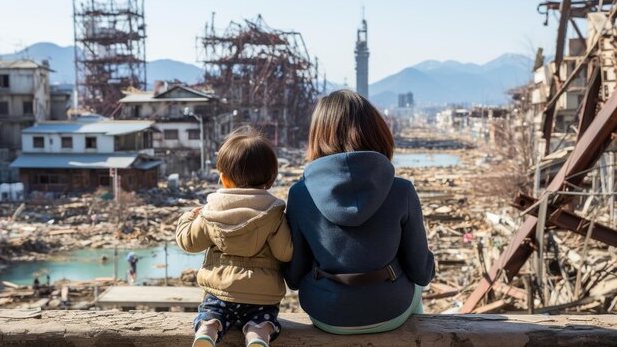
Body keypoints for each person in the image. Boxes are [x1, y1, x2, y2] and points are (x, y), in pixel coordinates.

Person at [284, 89, 436, 334]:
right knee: (415, 292)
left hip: (327, 314)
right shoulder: (402, 190)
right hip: (390, 311)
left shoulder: (300, 194)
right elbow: (420, 273)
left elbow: (293, 276)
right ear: (377, 132)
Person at [176, 128, 293, 347]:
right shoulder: (275, 213)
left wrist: (187, 217)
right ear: (270, 179)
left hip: (220, 291)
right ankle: (258, 333)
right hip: (262, 295)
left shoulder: (211, 211)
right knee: (263, 320)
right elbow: (285, 252)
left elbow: (189, 243)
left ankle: (208, 328)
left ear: (223, 179)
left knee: (211, 311)